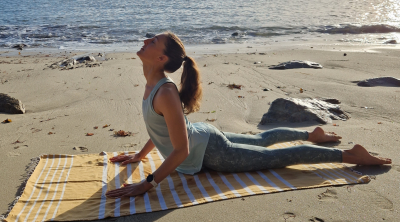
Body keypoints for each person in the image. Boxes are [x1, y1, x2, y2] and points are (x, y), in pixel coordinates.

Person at [105, 32, 391, 199]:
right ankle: (311, 134)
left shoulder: (164, 91)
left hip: (212, 153)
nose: (145, 40)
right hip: (205, 137)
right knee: (263, 139)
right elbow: (162, 129)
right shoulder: (154, 85)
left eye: (152, 41)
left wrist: (149, 183)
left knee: (280, 157)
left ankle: (351, 155)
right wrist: (141, 155)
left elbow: (181, 150)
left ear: (161, 59)